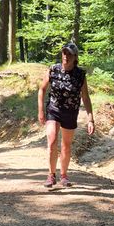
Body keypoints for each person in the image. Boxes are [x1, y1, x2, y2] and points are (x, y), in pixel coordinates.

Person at [38, 42, 94, 188]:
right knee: (52, 141)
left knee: (66, 146)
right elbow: (42, 90)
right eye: (64, 53)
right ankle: (51, 175)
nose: (65, 56)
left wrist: (90, 119)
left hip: (70, 112)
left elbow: (86, 97)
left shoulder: (80, 75)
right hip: (53, 109)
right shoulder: (53, 70)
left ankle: (64, 175)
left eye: (69, 54)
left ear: (75, 57)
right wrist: (41, 111)